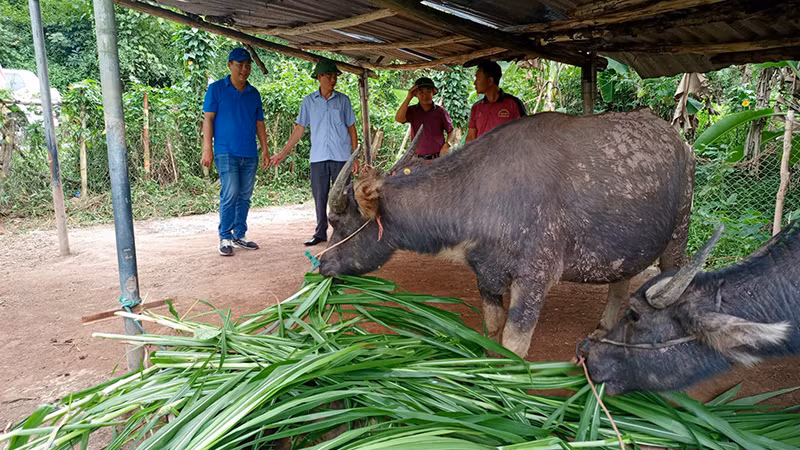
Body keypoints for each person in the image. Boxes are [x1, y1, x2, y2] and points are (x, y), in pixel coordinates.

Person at [270, 59, 359, 246]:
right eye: (329, 76)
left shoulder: (343, 101)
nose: (333, 79)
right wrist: (283, 152)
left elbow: (352, 128)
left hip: (341, 156)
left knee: (344, 195)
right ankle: (320, 232)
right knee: (320, 196)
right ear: (319, 77)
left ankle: (344, 232)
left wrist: (355, 157)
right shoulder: (309, 102)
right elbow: (299, 129)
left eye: (335, 76)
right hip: (318, 157)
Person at [201, 47, 269, 256]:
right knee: (230, 192)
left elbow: (260, 125)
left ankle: (240, 235)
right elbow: (208, 119)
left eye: (247, 65)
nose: (244, 69)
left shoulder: (253, 93)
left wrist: (265, 150)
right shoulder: (217, 89)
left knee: (245, 195)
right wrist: (207, 148)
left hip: (249, 152)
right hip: (225, 151)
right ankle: (225, 236)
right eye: (239, 65)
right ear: (230, 65)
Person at [466, 60, 527, 143]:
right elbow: (471, 138)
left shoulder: (514, 104)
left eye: (478, 78)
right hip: (483, 155)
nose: (474, 83)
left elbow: (524, 133)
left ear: (490, 81)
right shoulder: (476, 108)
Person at [394, 77, 455, 160]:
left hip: (437, 159)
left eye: (428, 91)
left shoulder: (441, 112)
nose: (424, 95)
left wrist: (447, 145)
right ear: (415, 94)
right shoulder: (412, 111)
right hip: (417, 159)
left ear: (433, 92)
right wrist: (409, 97)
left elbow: (451, 131)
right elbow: (399, 119)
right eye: (421, 92)